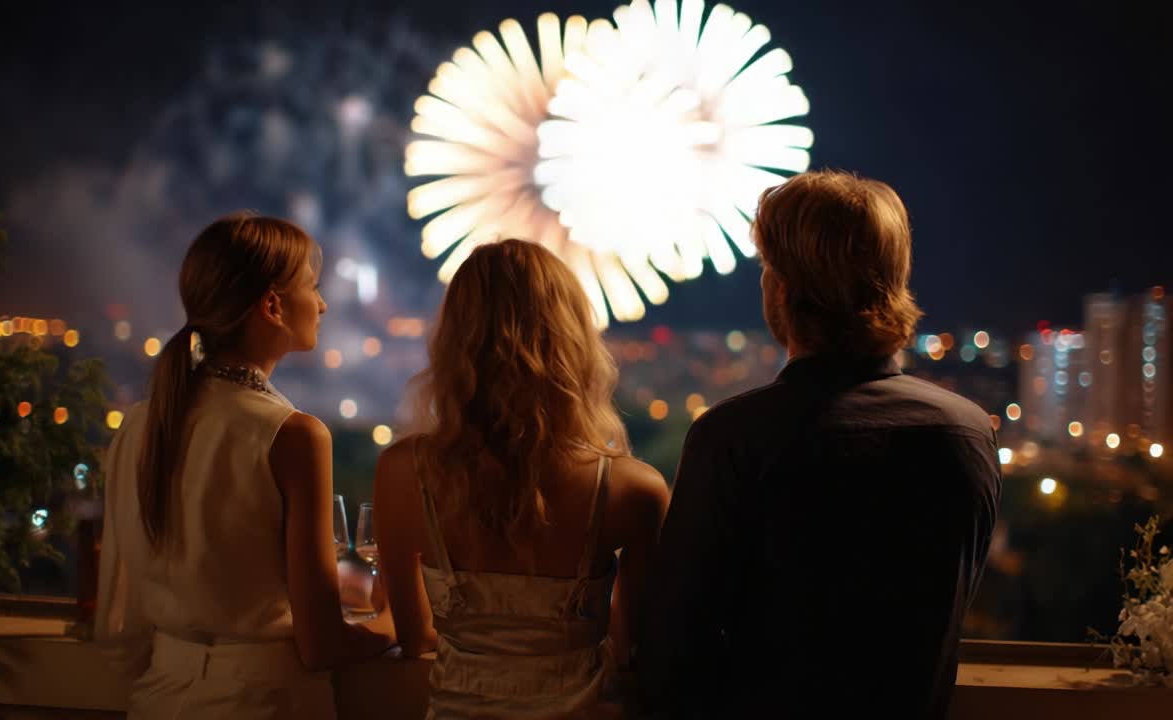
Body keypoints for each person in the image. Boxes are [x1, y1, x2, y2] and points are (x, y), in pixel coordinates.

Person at [639, 171, 1001, 718]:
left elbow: (672, 652)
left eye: (767, 267)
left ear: (783, 289)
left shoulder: (733, 440)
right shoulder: (968, 434)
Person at [95, 212, 394, 720]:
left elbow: (128, 611)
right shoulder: (293, 434)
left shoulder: (140, 423)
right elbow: (321, 645)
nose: (321, 304)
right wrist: (393, 622)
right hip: (262, 702)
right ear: (273, 306)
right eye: (312, 287)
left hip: (159, 696)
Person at [374, 238, 670, 718]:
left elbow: (413, 639)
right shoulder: (631, 489)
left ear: (454, 342)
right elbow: (637, 646)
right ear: (573, 340)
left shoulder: (403, 474)